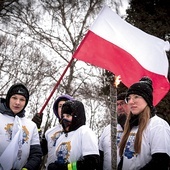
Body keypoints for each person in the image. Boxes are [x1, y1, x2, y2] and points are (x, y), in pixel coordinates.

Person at [117, 76, 170, 170]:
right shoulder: (132, 125)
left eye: (136, 97)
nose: (131, 102)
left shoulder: (157, 125)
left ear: (147, 100)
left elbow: (161, 162)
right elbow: (126, 159)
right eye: (128, 98)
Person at [47, 100, 100, 170]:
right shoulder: (62, 137)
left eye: (68, 116)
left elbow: (92, 162)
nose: (65, 119)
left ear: (76, 116)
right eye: (63, 116)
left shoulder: (85, 132)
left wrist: (68, 168)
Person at [0, 83, 42, 170]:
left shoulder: (31, 125)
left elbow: (36, 154)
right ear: (8, 99)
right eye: (14, 98)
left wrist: (27, 168)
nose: (17, 102)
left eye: (22, 99)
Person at [99, 92, 130, 170]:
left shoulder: (138, 128)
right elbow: (100, 156)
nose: (119, 108)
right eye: (117, 104)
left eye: (122, 103)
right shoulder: (107, 129)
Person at [40, 94, 74, 164]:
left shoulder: (80, 132)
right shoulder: (49, 133)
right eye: (60, 106)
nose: (63, 109)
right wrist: (36, 129)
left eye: (66, 106)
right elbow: (38, 153)